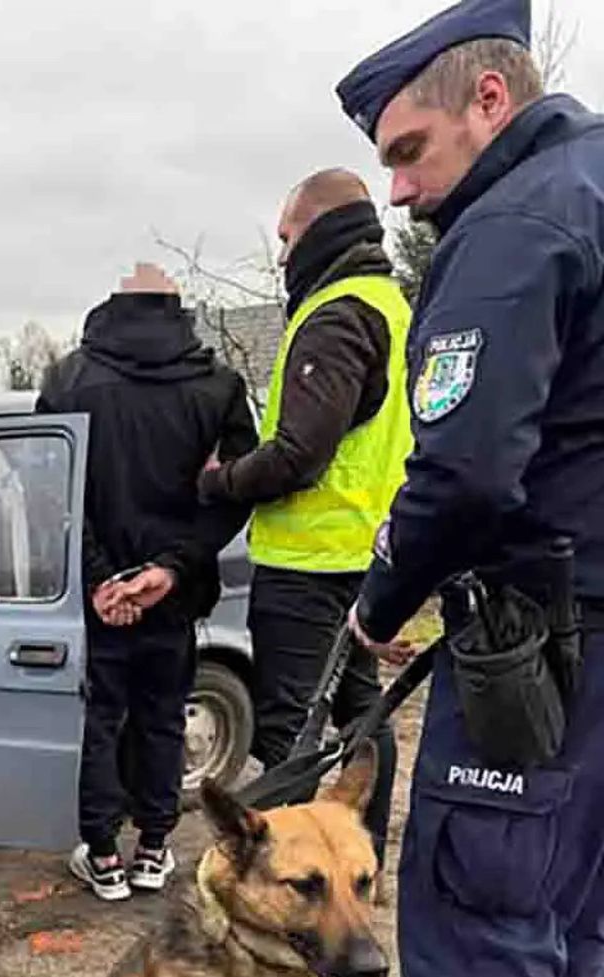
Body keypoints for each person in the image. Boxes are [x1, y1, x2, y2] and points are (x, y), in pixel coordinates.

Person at [336, 0, 604, 972]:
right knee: (575, 925)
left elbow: (461, 474)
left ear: (488, 99)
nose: (399, 190)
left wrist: (377, 604)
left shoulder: (513, 223)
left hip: (537, 657)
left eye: (408, 150)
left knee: (479, 929)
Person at [197, 168, 412, 870]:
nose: (283, 255)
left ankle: (288, 878)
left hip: (310, 561)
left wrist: (220, 479)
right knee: (363, 714)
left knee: (292, 725)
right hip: (364, 551)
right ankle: (359, 860)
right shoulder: (390, 303)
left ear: (320, 229)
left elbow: (297, 455)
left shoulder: (335, 315)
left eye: (288, 237)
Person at [37, 262, 257, 901]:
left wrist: (104, 577)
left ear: (111, 304)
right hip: (176, 592)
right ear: (177, 308)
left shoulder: (68, 378)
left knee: (102, 718)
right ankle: (154, 850)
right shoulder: (217, 386)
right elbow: (234, 495)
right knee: (164, 717)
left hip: (93, 594)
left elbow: (44, 486)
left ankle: (104, 858)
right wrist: (169, 570)